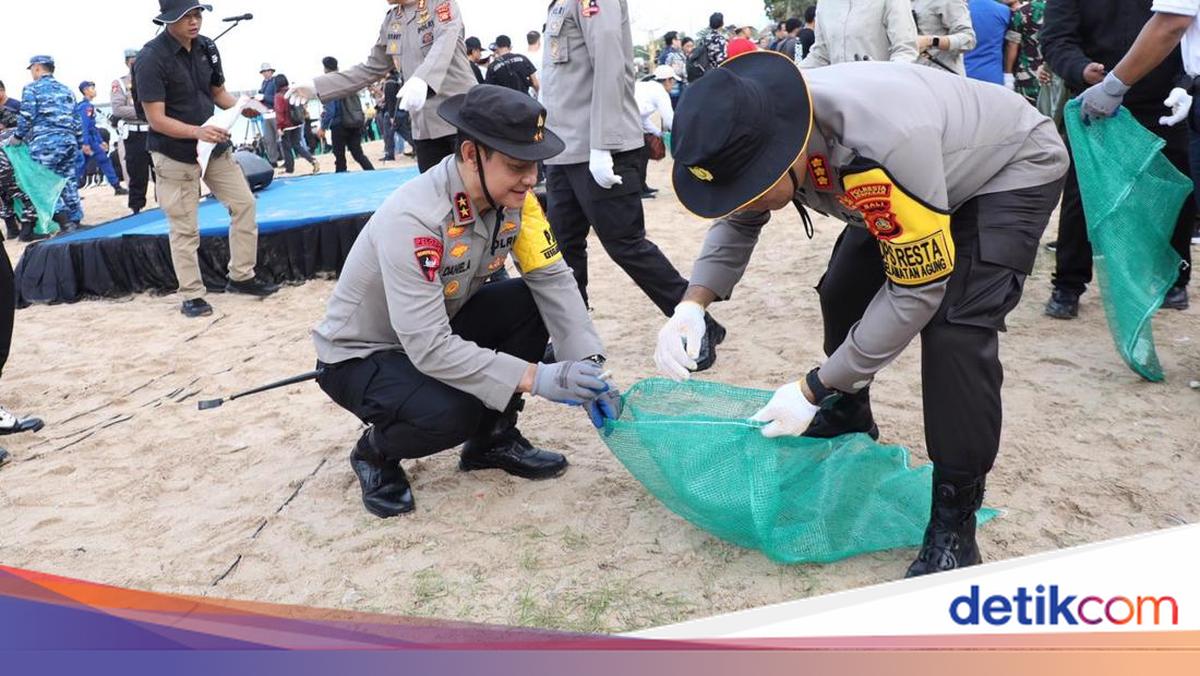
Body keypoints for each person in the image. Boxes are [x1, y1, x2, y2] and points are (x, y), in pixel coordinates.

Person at [659, 52, 1068, 577]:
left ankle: (953, 523)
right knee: (843, 290)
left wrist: (814, 386)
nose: (743, 200)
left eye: (749, 186)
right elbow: (742, 219)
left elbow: (915, 292)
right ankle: (852, 412)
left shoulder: (876, 146)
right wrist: (692, 304)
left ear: (784, 156)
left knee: (955, 333)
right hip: (917, 176)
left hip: (1004, 169)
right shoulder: (768, 130)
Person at [314, 85, 620, 517]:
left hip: (436, 326)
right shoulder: (416, 219)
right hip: (363, 354)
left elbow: (551, 278)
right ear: (472, 154)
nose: (531, 179)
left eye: (535, 165)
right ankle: (375, 453)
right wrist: (538, 378)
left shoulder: (515, 199)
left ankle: (491, 439)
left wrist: (586, 364)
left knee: (529, 302)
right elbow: (428, 346)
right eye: (517, 166)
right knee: (452, 414)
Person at [541, 0, 725, 367]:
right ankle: (574, 339)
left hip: (598, 146)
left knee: (626, 245)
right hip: (563, 148)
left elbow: (610, 66)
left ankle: (697, 323)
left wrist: (602, 144)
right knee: (564, 250)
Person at [1042, 0, 1194, 314]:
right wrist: (1080, 68)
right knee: (1081, 196)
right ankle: (1068, 285)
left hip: (1163, 101)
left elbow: (1183, 32)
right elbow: (1056, 40)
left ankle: (1174, 279)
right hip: (1094, 102)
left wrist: (1184, 85)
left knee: (1175, 189)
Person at [135, 0, 280, 318]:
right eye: (186, 16)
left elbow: (218, 94)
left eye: (198, 13)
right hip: (173, 152)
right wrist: (196, 132)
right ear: (167, 20)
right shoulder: (150, 59)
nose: (194, 21)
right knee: (185, 225)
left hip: (213, 146)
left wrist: (246, 105)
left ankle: (242, 276)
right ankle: (192, 294)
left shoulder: (207, 47)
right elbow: (156, 119)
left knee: (245, 204)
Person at [290, 0, 478, 174]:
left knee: (476, 194)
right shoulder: (392, 21)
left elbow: (445, 42)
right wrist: (318, 86)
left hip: (460, 122)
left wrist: (423, 79)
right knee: (439, 198)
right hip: (425, 129)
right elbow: (371, 69)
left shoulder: (440, 3)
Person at [15, 55, 83, 232]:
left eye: (31, 70)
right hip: (69, 141)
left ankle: (64, 222)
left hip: (46, 142)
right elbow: (77, 120)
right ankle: (75, 220)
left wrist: (17, 136)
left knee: (43, 182)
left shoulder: (32, 89)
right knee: (68, 181)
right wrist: (80, 141)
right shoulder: (66, 90)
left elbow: (27, 116)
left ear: (37, 68)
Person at [802, 0, 919, 67]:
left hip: (880, 98)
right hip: (837, 99)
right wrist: (793, 75)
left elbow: (905, 50)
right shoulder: (825, 3)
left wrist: (885, 79)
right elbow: (820, 55)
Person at [317, 57, 375, 174]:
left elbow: (331, 110)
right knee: (358, 154)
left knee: (340, 158)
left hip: (339, 126)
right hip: (354, 121)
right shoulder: (345, 79)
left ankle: (341, 186)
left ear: (325, 69)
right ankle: (373, 173)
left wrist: (323, 127)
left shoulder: (328, 83)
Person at [112, 48, 152, 215]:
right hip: (134, 133)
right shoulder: (120, 83)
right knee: (137, 172)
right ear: (127, 62)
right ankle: (136, 208)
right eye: (132, 60)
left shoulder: (153, 79)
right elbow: (118, 109)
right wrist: (148, 111)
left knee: (163, 170)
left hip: (155, 129)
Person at [74, 81, 127, 195]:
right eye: (92, 88)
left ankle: (116, 186)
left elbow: (93, 127)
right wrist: (85, 143)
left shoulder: (88, 106)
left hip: (91, 140)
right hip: (88, 140)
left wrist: (101, 141)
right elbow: (84, 126)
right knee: (80, 166)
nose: (94, 90)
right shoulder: (85, 107)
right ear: (85, 90)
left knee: (101, 161)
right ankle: (70, 191)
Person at [634, 65, 675, 197]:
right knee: (640, 154)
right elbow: (669, 119)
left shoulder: (647, 86)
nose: (673, 85)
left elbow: (643, 119)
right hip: (628, 123)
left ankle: (642, 186)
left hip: (631, 121)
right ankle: (638, 189)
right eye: (673, 81)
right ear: (667, 80)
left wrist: (659, 133)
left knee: (643, 153)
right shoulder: (660, 92)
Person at [913, 0, 978, 75]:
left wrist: (931, 41)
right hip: (909, 75)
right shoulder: (901, 4)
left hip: (942, 76)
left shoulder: (949, 2)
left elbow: (969, 39)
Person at [272, 74, 321, 175]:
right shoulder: (293, 91)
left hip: (286, 126)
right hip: (297, 122)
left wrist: (279, 127)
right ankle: (312, 160)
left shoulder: (278, 96)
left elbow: (279, 112)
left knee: (286, 147)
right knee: (297, 145)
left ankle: (289, 169)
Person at [1005, 1, 1048, 104]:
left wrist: (1008, 73)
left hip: (1026, 74)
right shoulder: (1061, 9)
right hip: (1052, 74)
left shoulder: (1022, 11)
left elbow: (1012, 44)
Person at [964, 0, 1012, 84]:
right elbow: (1010, 44)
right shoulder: (1004, 11)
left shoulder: (962, 9)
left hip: (962, 72)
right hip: (992, 75)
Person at [256, 63, 283, 167]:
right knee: (268, 139)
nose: (265, 74)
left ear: (271, 71)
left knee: (279, 138)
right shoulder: (263, 83)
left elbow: (276, 99)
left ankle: (285, 159)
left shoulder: (275, 82)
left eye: (267, 71)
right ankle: (273, 160)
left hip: (275, 113)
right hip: (266, 114)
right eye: (263, 72)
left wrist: (263, 97)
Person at [689, 12, 730, 81]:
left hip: (706, 72)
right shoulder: (720, 39)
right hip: (718, 74)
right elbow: (722, 60)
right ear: (722, 23)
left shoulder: (705, 39)